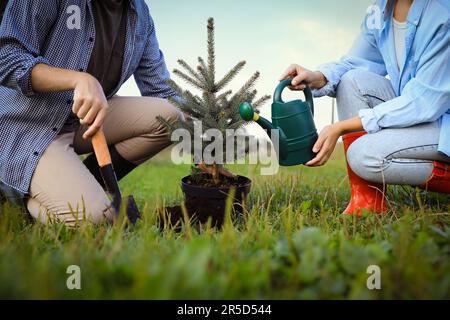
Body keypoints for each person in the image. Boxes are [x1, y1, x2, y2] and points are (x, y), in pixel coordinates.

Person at [0, 0, 182, 226]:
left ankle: (75, 184)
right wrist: (77, 79)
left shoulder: (140, 14)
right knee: (97, 219)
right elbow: (6, 57)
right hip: (30, 126)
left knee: (172, 118)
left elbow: (161, 90)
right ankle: (21, 198)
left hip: (82, 123)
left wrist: (203, 144)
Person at [280, 0, 450, 215]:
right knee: (352, 80)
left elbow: (424, 101)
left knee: (364, 155)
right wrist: (318, 77)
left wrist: (342, 127)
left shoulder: (443, 14)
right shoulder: (380, 10)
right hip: (421, 114)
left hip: (441, 120)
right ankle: (367, 203)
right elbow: (356, 63)